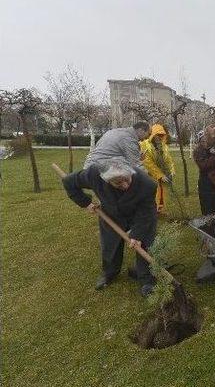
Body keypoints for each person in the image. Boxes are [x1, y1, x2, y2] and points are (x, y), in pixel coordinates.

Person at [62, 157, 157, 297]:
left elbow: (146, 214)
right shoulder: (94, 174)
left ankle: (147, 280)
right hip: (111, 214)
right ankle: (110, 273)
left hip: (140, 215)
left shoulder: (147, 184)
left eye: (126, 179)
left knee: (145, 244)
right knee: (110, 244)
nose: (124, 185)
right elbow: (69, 182)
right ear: (106, 180)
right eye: (118, 183)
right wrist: (85, 203)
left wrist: (136, 235)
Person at [139, 124, 175, 213]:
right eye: (157, 135)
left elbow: (169, 161)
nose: (159, 137)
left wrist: (172, 171)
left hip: (160, 173)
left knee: (162, 191)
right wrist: (160, 175)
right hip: (147, 173)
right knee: (150, 191)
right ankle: (149, 210)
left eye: (161, 135)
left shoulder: (164, 147)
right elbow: (148, 163)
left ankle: (159, 209)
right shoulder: (145, 145)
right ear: (153, 135)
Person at [84, 121, 151, 169]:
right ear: (141, 130)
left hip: (89, 165)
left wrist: (138, 157)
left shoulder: (114, 131)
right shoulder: (129, 139)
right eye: (148, 134)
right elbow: (136, 166)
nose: (147, 138)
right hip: (100, 170)